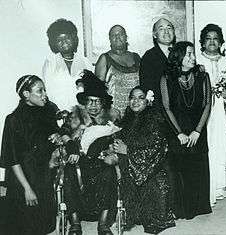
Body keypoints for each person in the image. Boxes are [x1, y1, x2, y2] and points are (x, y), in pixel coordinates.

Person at [57, 70, 120, 235]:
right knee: (70, 172)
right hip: (78, 160)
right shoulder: (76, 115)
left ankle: (103, 224)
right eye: (90, 101)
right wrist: (71, 146)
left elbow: (118, 140)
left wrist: (109, 152)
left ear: (103, 103)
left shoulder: (111, 118)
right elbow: (63, 132)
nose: (93, 106)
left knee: (109, 173)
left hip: (101, 160)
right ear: (84, 102)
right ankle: (75, 224)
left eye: (97, 101)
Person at [112, 86, 175, 234]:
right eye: (132, 97)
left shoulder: (155, 119)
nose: (136, 101)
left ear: (147, 101)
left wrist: (127, 150)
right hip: (131, 170)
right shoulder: (127, 120)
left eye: (140, 98)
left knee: (153, 216)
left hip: (153, 172)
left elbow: (156, 151)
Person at [0, 75, 58, 234]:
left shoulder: (46, 113)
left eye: (44, 90)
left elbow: (52, 139)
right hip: (22, 179)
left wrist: (57, 138)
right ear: (26, 94)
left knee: (45, 224)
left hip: (42, 176)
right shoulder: (13, 120)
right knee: (25, 225)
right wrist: (27, 189)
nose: (44, 94)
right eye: (40, 91)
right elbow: (12, 158)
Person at [160, 41, 212, 219]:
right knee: (180, 170)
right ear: (179, 57)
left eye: (193, 54)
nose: (193, 58)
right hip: (177, 129)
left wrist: (197, 131)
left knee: (197, 168)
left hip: (198, 128)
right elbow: (166, 108)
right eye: (188, 54)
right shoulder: (166, 78)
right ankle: (181, 209)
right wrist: (179, 133)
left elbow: (207, 104)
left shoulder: (202, 76)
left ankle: (198, 207)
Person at [196, 23, 226, 206]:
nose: (212, 42)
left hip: (222, 108)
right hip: (206, 112)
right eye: (208, 39)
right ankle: (210, 186)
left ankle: (223, 186)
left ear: (221, 42)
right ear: (202, 42)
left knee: (223, 146)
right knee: (210, 145)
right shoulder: (197, 61)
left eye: (215, 39)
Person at [43, 18, 93, 112]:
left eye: (67, 37)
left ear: (73, 38)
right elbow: (47, 94)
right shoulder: (50, 63)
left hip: (82, 117)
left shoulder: (85, 62)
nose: (64, 42)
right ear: (54, 43)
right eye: (59, 40)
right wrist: (58, 112)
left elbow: (91, 91)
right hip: (58, 116)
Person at [95, 25, 141, 117]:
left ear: (126, 37)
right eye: (113, 35)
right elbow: (97, 91)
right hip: (115, 114)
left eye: (121, 34)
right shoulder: (104, 59)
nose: (117, 37)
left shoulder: (136, 57)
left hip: (136, 112)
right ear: (110, 39)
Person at [139, 17, 176, 106]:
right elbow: (147, 87)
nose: (166, 31)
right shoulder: (149, 57)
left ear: (174, 33)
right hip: (159, 107)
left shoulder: (181, 52)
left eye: (169, 28)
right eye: (161, 29)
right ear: (155, 35)